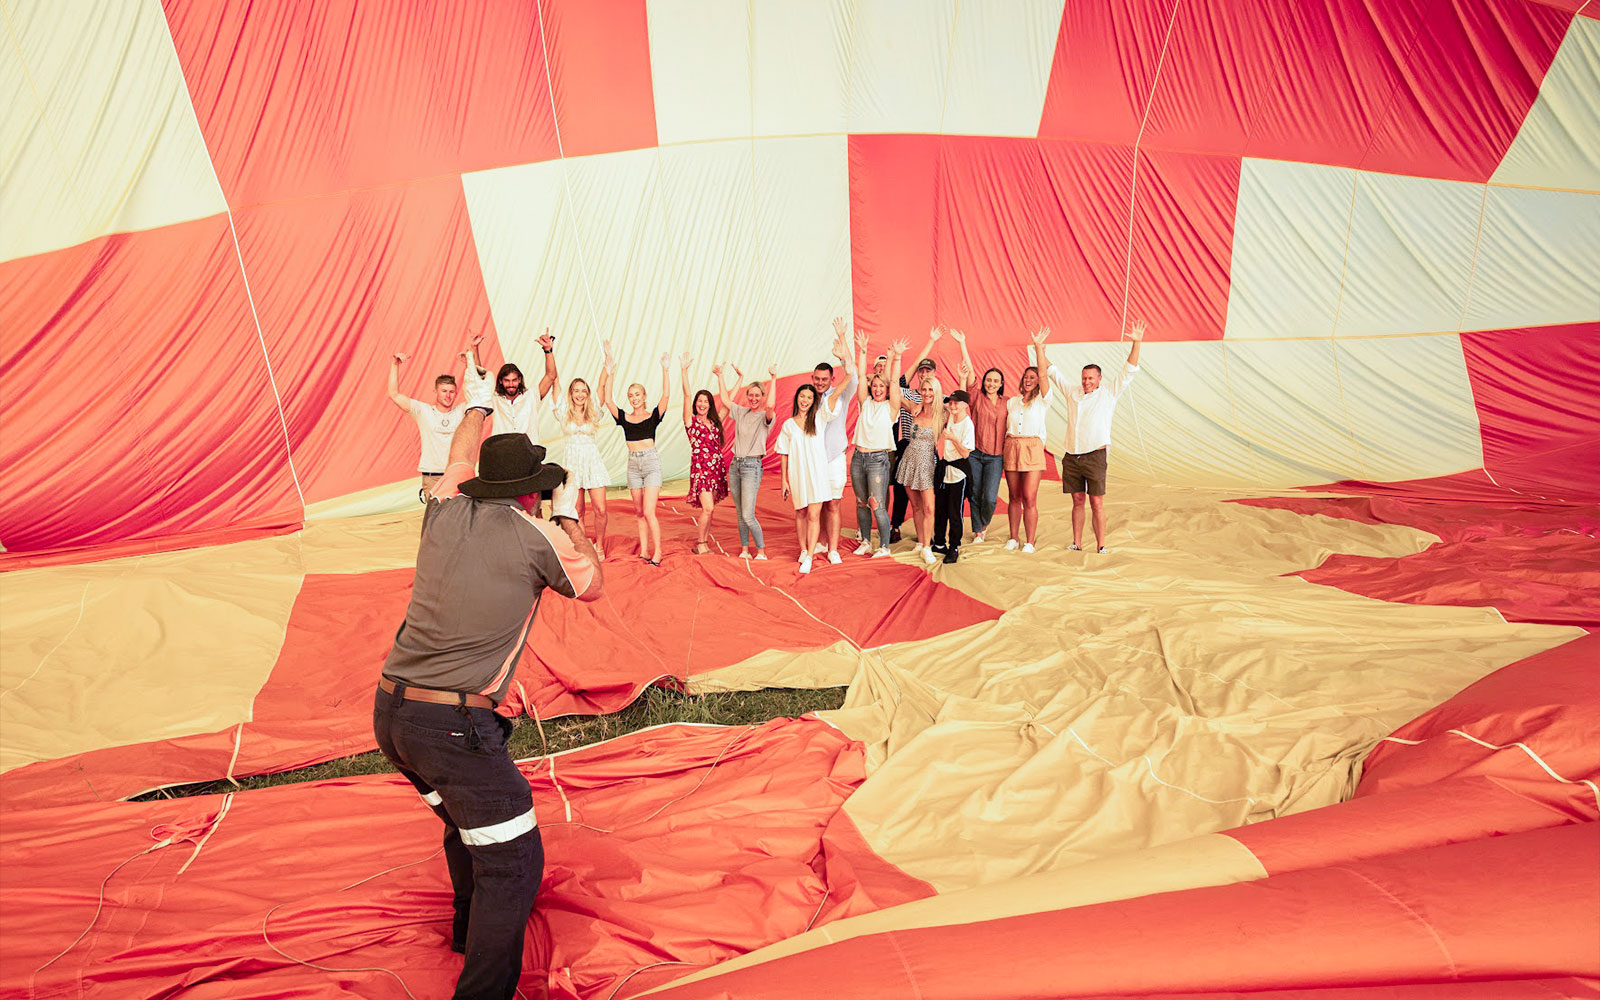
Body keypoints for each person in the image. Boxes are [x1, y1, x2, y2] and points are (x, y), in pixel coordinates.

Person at [375, 361, 603, 1000]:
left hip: (391, 713)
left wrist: (478, 403)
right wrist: (568, 515)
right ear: (533, 493)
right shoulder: (536, 537)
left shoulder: (442, 508)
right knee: (515, 860)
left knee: (461, 821)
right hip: (453, 724)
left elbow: (456, 452)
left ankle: (467, 930)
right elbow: (593, 583)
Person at [1048, 320, 1145, 553]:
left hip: (1095, 455)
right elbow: (1052, 372)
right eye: (1084, 378)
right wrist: (1040, 348)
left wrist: (1137, 342)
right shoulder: (1072, 391)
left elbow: (1129, 369)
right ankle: (1077, 543)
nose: (1086, 381)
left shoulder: (1109, 393)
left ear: (1099, 379)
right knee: (1077, 501)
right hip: (1072, 456)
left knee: (1096, 502)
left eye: (1091, 378)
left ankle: (1101, 545)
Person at [599, 340, 670, 565]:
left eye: (637, 394)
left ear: (644, 396)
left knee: (649, 512)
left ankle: (658, 551)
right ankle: (644, 551)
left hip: (650, 464)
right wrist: (610, 372)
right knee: (639, 512)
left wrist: (665, 370)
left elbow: (666, 397)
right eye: (631, 395)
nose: (634, 398)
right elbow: (608, 400)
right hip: (633, 465)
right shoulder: (624, 418)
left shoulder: (653, 416)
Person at [716, 361, 778, 560]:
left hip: (752, 466)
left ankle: (760, 551)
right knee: (740, 512)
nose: (753, 398)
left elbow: (771, 405)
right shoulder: (741, 412)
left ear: (762, 397)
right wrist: (721, 376)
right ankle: (744, 549)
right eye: (750, 395)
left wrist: (774, 378)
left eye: (757, 395)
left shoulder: (765, 417)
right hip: (736, 465)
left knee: (748, 515)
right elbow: (725, 399)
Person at [849, 332, 904, 557]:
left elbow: (894, 384)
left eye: (882, 386)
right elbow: (862, 376)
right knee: (862, 502)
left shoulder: (890, 408)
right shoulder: (866, 404)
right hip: (858, 458)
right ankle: (865, 541)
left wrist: (897, 358)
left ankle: (884, 546)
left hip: (878, 460)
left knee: (877, 504)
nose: (878, 389)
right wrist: (863, 351)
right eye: (875, 386)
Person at [775, 383, 839, 574]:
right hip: (797, 475)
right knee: (801, 512)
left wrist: (849, 371)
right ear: (797, 398)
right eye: (802, 396)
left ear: (814, 401)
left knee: (813, 514)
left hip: (818, 475)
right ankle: (803, 549)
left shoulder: (820, 418)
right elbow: (783, 453)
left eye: (809, 398)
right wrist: (784, 480)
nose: (805, 401)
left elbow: (835, 397)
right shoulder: (788, 425)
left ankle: (810, 556)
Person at [951, 331, 1007, 544]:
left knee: (990, 497)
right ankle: (977, 532)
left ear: (1001, 384)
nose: (991, 383)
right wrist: (963, 344)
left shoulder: (1006, 403)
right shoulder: (976, 397)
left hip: (996, 457)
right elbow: (970, 375)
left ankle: (983, 523)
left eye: (996, 381)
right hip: (975, 453)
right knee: (974, 493)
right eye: (989, 380)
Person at [385, 350, 464, 499]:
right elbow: (394, 394)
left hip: (455, 476)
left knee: (457, 519)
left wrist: (470, 362)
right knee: (436, 520)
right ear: (435, 391)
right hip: (432, 477)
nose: (448, 395)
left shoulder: (462, 411)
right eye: (444, 391)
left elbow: (481, 394)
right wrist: (394, 365)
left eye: (451, 392)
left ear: (456, 393)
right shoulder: (423, 411)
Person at [1003, 327, 1052, 553]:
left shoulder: (1042, 400)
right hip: (1013, 446)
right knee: (1014, 496)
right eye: (1026, 377)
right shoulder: (1012, 402)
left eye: (1033, 377)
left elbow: (1044, 375)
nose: (1030, 379)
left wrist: (1039, 348)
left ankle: (1030, 541)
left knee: (1029, 497)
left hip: (1032, 447)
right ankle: (1013, 538)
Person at [813, 318, 857, 564]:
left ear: (831, 379)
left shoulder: (841, 394)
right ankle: (818, 541)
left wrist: (842, 343)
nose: (820, 382)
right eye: (817, 379)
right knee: (817, 504)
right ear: (813, 378)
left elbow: (854, 377)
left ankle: (833, 548)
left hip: (835, 459)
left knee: (833, 504)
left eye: (824, 379)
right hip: (814, 459)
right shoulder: (807, 397)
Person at [551, 375, 611, 559]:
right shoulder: (562, 412)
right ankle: (585, 546)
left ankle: (599, 546)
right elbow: (554, 380)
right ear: (570, 393)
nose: (580, 394)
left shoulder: (593, 412)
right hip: (572, 464)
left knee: (600, 509)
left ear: (587, 394)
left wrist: (606, 367)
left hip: (592, 463)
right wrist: (548, 351)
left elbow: (601, 384)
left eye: (583, 391)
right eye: (576, 390)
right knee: (578, 511)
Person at [889, 330, 936, 542]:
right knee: (901, 490)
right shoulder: (909, 394)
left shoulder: (938, 398)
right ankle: (896, 525)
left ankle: (929, 535)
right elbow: (895, 388)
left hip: (927, 447)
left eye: (929, 371)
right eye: (921, 371)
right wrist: (911, 406)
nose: (925, 374)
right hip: (908, 444)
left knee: (929, 494)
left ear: (934, 374)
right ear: (917, 373)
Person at [681, 355, 729, 555]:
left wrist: (720, 377)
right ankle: (700, 543)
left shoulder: (715, 422)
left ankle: (704, 542)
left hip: (715, 468)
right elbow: (686, 395)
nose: (702, 404)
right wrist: (684, 370)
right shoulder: (691, 422)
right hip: (701, 469)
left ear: (710, 404)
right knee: (708, 508)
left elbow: (728, 403)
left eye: (706, 401)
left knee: (711, 509)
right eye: (699, 401)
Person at [896, 374, 943, 565]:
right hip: (910, 460)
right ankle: (921, 541)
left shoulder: (943, 414)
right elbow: (895, 394)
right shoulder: (914, 408)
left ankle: (927, 546)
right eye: (924, 389)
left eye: (931, 389)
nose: (927, 393)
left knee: (929, 507)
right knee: (915, 506)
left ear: (936, 392)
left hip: (928, 464)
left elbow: (962, 407)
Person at [932, 389, 975, 563]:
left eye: (956, 402)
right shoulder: (950, 414)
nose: (952, 405)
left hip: (958, 472)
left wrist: (953, 438)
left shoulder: (967, 425)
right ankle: (939, 542)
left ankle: (954, 546)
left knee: (954, 512)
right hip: (945, 469)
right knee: (940, 509)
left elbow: (966, 454)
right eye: (951, 402)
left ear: (965, 405)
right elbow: (938, 403)